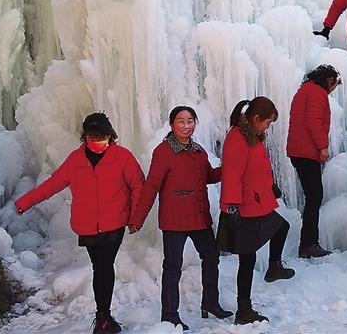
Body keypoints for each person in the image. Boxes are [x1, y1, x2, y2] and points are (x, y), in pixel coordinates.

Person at [15, 113, 144, 334]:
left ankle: (102, 318)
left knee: (104, 266)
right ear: (85, 137)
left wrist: (135, 218)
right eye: (93, 138)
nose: (97, 142)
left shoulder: (123, 157)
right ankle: (104, 318)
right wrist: (26, 202)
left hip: (114, 223)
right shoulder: (76, 160)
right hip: (87, 225)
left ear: (110, 135)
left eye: (102, 137)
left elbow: (138, 185)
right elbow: (53, 184)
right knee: (99, 267)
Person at [128, 106, 231, 330]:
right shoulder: (163, 151)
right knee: (173, 266)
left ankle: (210, 302)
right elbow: (151, 186)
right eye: (181, 121)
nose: (186, 126)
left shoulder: (198, 151)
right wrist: (138, 218)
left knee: (211, 257)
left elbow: (209, 176)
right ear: (172, 124)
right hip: (174, 220)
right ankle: (169, 316)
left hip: (199, 217)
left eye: (190, 121)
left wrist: (229, 167)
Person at [216, 97, 295, 325]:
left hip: (257, 200)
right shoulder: (237, 139)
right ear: (256, 118)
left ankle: (274, 267)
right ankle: (244, 311)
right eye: (267, 123)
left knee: (281, 228)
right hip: (245, 207)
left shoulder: (251, 136)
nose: (267, 127)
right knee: (247, 259)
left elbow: (258, 166)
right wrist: (231, 207)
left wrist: (272, 186)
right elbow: (232, 174)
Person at [286, 64, 341, 259]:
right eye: (335, 83)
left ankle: (310, 242)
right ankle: (308, 244)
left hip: (299, 151)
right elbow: (314, 121)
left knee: (312, 196)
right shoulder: (317, 93)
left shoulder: (304, 90)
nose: (334, 88)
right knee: (314, 196)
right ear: (329, 80)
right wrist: (323, 146)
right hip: (306, 152)